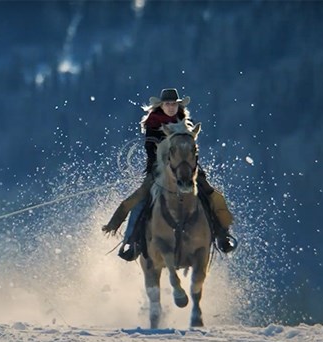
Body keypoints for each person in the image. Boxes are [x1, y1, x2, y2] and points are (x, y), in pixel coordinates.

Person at [102, 88, 237, 260]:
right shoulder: (152, 124)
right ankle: (131, 241)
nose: (171, 107)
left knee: (214, 196)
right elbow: (150, 150)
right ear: (161, 105)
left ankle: (222, 235)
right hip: (159, 170)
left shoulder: (186, 122)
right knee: (137, 201)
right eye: (168, 104)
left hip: (188, 170)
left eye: (174, 104)